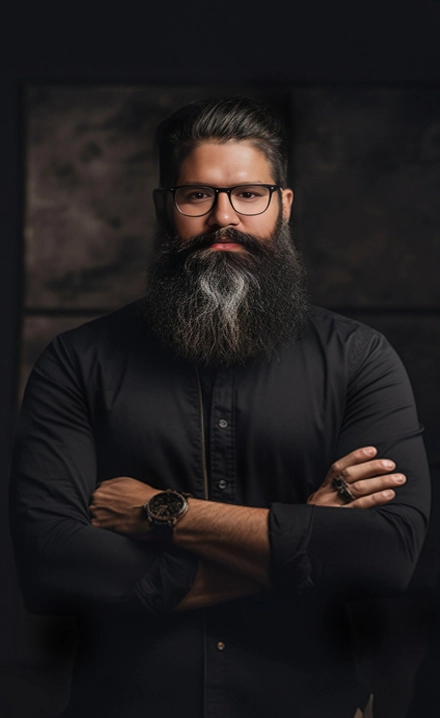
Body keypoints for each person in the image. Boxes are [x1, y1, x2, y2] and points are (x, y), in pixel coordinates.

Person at [10, 97, 430, 718]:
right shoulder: (77, 361)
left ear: (284, 206)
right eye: (196, 196)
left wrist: (162, 512)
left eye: (248, 195)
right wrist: (303, 536)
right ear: (164, 207)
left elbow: (385, 554)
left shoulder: (359, 358)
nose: (223, 219)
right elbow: (52, 565)